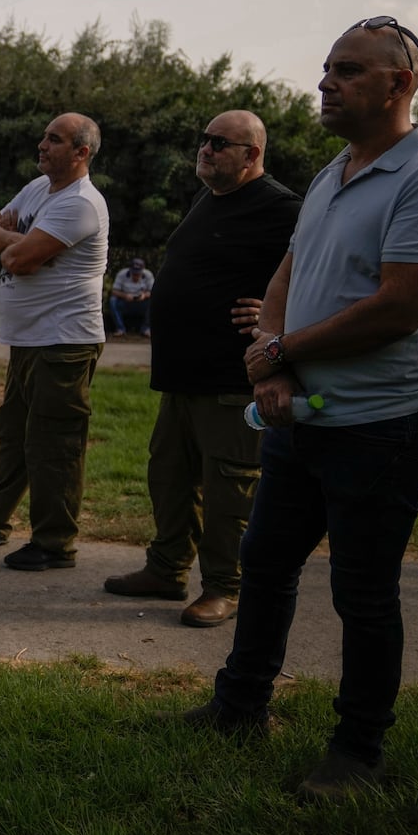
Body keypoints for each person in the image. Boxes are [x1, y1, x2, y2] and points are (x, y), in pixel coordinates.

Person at [183, 18, 418, 802]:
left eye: (347, 70)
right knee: (269, 563)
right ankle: (239, 703)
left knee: (364, 590)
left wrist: (280, 355)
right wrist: (273, 363)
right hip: (301, 412)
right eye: (325, 68)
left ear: (399, 84)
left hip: (384, 423)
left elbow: (401, 306)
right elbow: (288, 273)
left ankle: (358, 751)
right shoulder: (332, 173)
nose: (326, 82)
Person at [102, 111, 301, 626]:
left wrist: (280, 316)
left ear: (252, 154)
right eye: (204, 141)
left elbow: (320, 272)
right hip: (182, 375)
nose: (206, 150)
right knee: (168, 477)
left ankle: (224, 587)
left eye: (220, 143)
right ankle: (166, 570)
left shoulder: (282, 208)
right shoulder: (207, 198)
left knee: (228, 489)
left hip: (230, 378)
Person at [0, 113, 109, 570]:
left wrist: (11, 241)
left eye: (54, 140)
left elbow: (16, 257)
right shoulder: (38, 190)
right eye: (44, 137)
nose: (42, 145)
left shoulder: (80, 204)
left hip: (65, 341)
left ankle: (55, 543)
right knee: (14, 432)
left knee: (54, 443)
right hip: (29, 338)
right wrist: (14, 239)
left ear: (81, 152)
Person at [110, 258, 155, 336]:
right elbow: (114, 291)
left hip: (142, 303)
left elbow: (153, 292)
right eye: (134, 274)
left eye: (138, 274)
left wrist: (144, 295)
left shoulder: (148, 275)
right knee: (113, 300)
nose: (136, 276)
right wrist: (125, 296)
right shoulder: (122, 274)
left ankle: (146, 329)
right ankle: (120, 329)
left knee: (153, 301)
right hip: (126, 302)